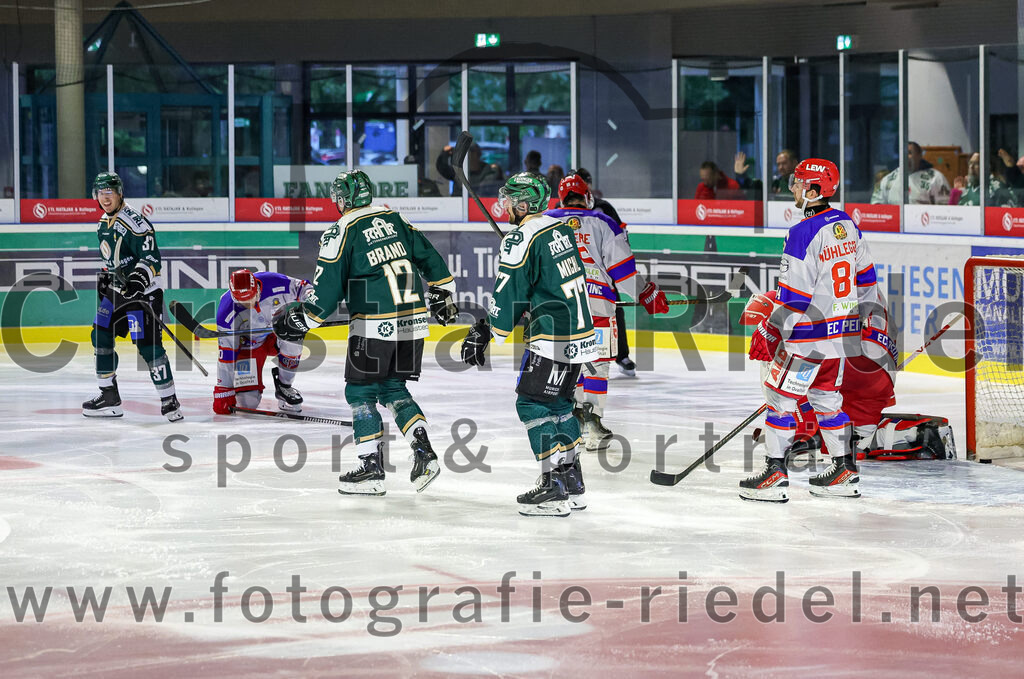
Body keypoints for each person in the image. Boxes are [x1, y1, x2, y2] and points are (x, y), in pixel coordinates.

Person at [273, 170, 459, 496]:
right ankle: (424, 453)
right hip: (413, 321)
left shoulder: (341, 231)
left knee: (360, 394)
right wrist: (443, 290)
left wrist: (304, 318)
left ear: (343, 198)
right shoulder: (394, 219)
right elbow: (429, 256)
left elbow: (325, 292)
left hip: (374, 325)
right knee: (393, 390)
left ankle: (371, 469)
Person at [741, 158, 880, 502]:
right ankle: (844, 470)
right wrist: (866, 316)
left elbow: (795, 299)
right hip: (841, 335)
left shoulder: (801, 232)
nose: (793, 188)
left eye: (798, 182)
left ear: (814, 191)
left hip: (808, 340)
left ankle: (774, 475)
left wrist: (771, 330)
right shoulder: (847, 224)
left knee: (779, 401)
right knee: (827, 400)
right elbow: (866, 278)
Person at [460, 172, 599, 517]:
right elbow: (545, 283)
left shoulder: (521, 237)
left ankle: (551, 487)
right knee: (561, 406)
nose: (504, 204)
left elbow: (509, 295)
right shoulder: (560, 230)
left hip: (552, 337)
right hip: (579, 333)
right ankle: (572, 483)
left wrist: (488, 330)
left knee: (531, 404)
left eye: (509, 199)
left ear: (523, 205)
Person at [546, 174, 669, 451]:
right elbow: (623, 272)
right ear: (586, 196)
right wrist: (645, 293)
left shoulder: (545, 222)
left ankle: (572, 422)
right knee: (596, 366)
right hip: (597, 304)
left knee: (568, 363)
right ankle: (593, 425)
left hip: (558, 306)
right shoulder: (603, 222)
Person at [82, 171, 183, 421]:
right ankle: (109, 397)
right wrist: (107, 283)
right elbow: (111, 260)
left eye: (110, 193)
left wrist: (138, 280)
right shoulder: (102, 223)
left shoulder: (136, 223)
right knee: (100, 333)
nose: (105, 198)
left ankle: (169, 400)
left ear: (119, 194)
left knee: (148, 346)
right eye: (100, 194)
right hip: (117, 292)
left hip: (143, 294)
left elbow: (151, 258)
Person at [213, 269, 310, 416]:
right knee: (248, 403)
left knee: (293, 333)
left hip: (276, 335)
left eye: (251, 298)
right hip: (249, 349)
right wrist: (223, 390)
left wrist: (310, 308)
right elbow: (226, 354)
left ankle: (285, 387)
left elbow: (303, 288)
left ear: (257, 288)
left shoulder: (273, 281)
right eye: (243, 302)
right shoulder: (226, 313)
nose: (249, 304)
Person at [573, 167, 637, 375]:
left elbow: (621, 238)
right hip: (571, 276)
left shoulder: (603, 209)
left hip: (600, 276)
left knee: (614, 310)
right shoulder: (558, 212)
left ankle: (620, 354)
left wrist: (615, 265)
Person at [871, 142, 950, 205]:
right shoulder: (889, 179)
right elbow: (876, 204)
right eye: (903, 153)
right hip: (894, 223)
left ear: (919, 155)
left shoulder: (935, 178)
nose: (906, 157)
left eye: (909, 153)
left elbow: (945, 208)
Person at [435, 142, 504, 196]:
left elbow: (486, 189)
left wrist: (496, 170)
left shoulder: (488, 171)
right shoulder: (458, 171)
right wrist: (445, 154)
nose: (468, 157)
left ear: (478, 154)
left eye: (471, 153)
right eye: (464, 154)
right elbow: (442, 168)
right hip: (458, 206)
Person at [950, 152, 1017, 208]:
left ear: (987, 167)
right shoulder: (967, 189)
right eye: (970, 163)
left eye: (976, 164)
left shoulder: (996, 187)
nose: (971, 167)